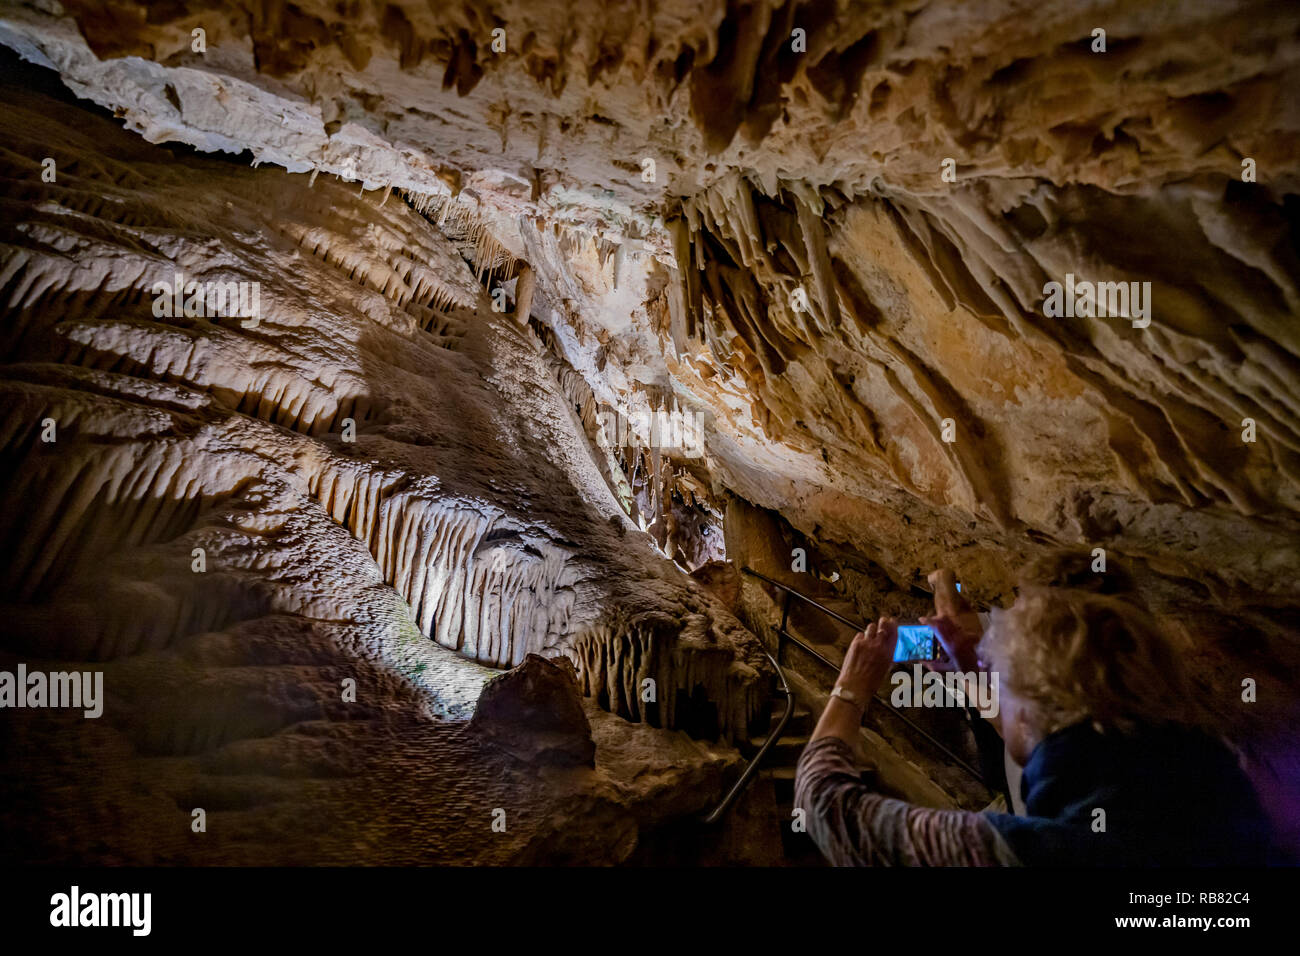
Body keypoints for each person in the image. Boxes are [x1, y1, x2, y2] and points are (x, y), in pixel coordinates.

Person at [794, 561, 1274, 865]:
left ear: (1035, 709)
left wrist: (851, 686)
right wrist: (970, 672)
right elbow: (1041, 733)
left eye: (1009, 685)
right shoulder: (1223, 777)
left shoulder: (1030, 850)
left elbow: (826, 806)